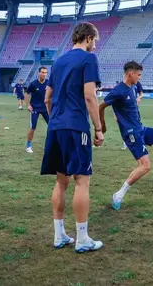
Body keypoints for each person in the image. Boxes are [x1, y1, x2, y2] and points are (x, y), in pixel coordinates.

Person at [40, 22, 104, 253]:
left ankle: (59, 235)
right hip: (76, 127)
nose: (95, 46)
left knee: (61, 181)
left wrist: (55, 120)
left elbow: (47, 98)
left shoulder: (58, 62)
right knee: (82, 180)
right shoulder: (88, 59)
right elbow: (90, 96)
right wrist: (98, 128)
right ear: (88, 38)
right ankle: (82, 238)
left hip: (55, 127)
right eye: (95, 41)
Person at [100, 61, 153, 211]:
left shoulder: (133, 87)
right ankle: (119, 194)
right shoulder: (118, 91)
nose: (140, 78)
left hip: (140, 128)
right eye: (138, 75)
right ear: (131, 73)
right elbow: (99, 106)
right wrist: (102, 126)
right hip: (131, 133)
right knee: (145, 166)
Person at [24, 66, 50, 153]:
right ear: (39, 73)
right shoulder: (33, 84)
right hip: (35, 109)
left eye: (46, 73)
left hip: (46, 109)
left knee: (52, 127)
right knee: (33, 127)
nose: (44, 74)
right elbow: (26, 93)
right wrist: (28, 105)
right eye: (42, 72)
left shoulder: (49, 83)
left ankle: (51, 145)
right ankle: (28, 145)